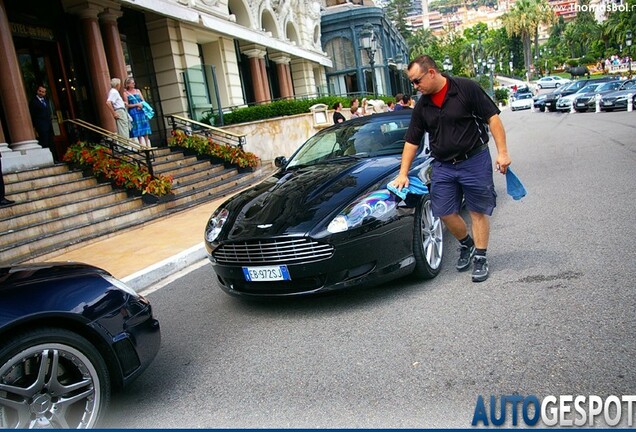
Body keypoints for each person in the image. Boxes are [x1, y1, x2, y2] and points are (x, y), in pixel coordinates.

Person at [392, 55, 511, 283]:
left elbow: (493, 119)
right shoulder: (423, 106)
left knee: (477, 211)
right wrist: (403, 173)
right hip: (444, 165)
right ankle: (467, 244)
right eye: (412, 83)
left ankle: (481, 257)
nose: (415, 87)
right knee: (443, 211)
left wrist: (503, 152)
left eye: (417, 81)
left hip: (474, 159)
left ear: (432, 73)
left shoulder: (465, 88)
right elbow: (411, 141)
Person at [29, 85, 56, 161]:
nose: (41, 93)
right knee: (45, 143)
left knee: (51, 143)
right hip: (41, 126)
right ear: (37, 91)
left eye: (43, 92)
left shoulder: (46, 100)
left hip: (49, 126)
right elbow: (32, 115)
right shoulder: (33, 102)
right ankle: (47, 160)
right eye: (40, 91)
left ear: (45, 93)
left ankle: (54, 159)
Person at [123, 77, 152, 147]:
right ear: (128, 84)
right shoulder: (125, 93)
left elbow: (143, 100)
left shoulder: (138, 91)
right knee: (137, 127)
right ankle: (141, 144)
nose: (134, 84)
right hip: (133, 112)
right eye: (132, 83)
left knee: (144, 126)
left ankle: (147, 144)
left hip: (141, 111)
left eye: (134, 83)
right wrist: (136, 105)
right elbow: (127, 105)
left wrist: (141, 105)